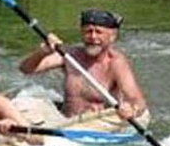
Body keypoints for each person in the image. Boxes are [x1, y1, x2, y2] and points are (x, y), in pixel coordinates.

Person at [18, 8, 149, 123]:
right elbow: (26, 69)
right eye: (88, 31)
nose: (92, 37)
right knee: (22, 104)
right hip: (65, 120)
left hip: (96, 123)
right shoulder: (70, 55)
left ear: (112, 37)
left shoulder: (116, 63)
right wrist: (42, 52)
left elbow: (137, 100)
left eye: (99, 32)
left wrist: (132, 110)